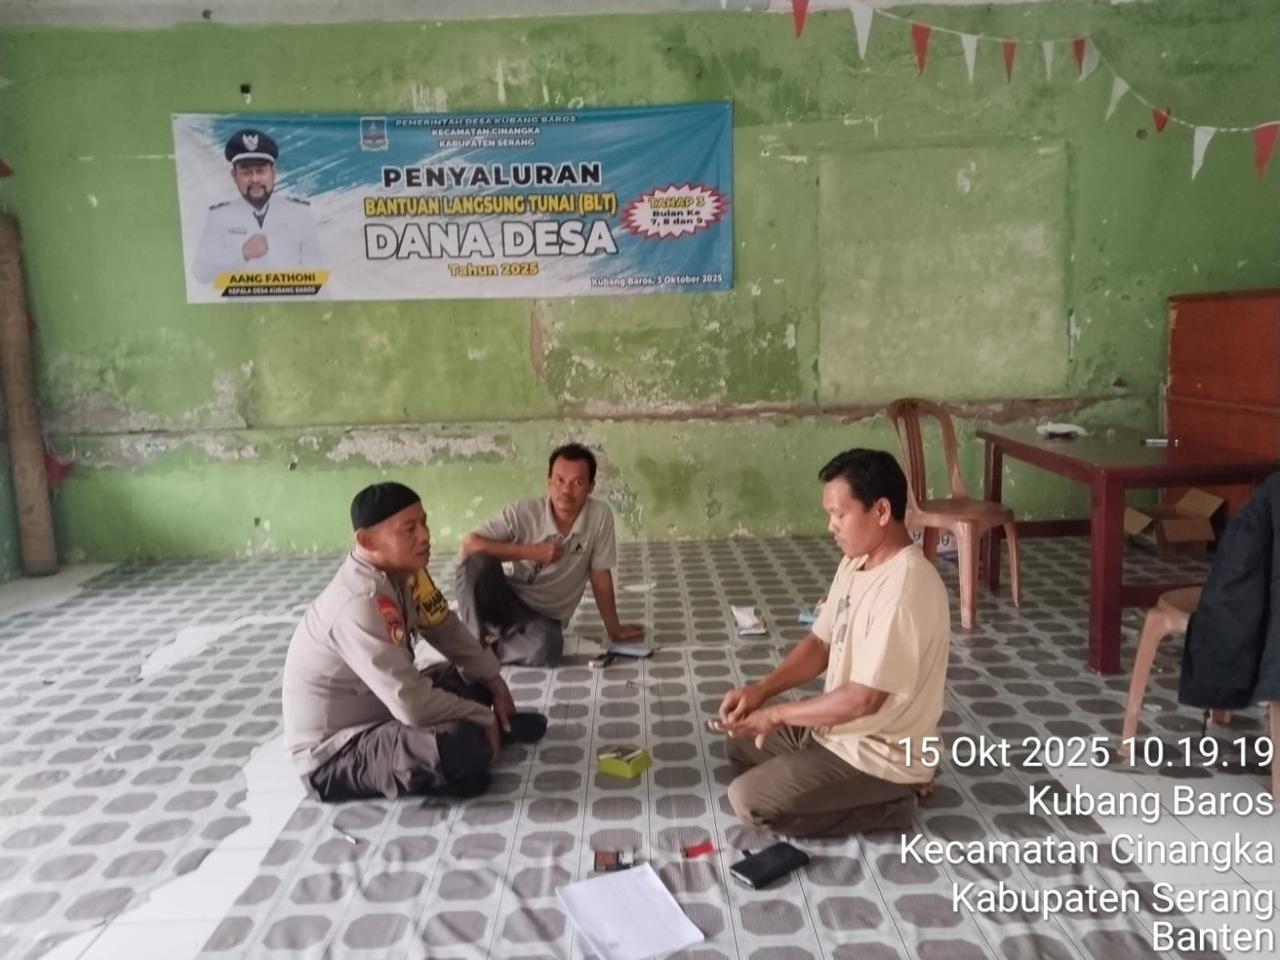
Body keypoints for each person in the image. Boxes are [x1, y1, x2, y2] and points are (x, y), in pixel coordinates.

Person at [717, 448, 951, 837]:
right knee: (740, 743)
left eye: (840, 515)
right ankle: (837, 782)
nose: (831, 526)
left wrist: (778, 714)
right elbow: (820, 644)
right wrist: (761, 692)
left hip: (878, 752)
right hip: (838, 733)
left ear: (881, 511)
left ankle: (892, 801)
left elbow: (863, 700)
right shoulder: (857, 561)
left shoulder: (905, 587)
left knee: (748, 800)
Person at [282, 481, 545, 803]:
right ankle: (472, 746)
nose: (424, 536)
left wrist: (496, 685)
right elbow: (411, 704)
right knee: (459, 746)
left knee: (471, 678)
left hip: (385, 707)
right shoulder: (358, 602)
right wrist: (483, 715)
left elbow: (447, 630)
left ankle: (480, 737)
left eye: (424, 523)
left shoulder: (408, 574)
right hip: (338, 750)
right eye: (409, 529)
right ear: (367, 540)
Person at [456, 443, 643, 667]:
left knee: (547, 647)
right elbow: (468, 546)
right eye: (559, 480)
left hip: (543, 619)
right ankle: (475, 639)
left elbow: (600, 576)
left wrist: (615, 629)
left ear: (591, 487)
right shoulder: (524, 512)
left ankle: (475, 651)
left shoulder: (599, 517)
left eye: (577, 483)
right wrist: (528, 551)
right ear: (548, 482)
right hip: (505, 600)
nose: (566, 491)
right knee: (475, 563)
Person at [191, 128, 323, 284]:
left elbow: (317, 277)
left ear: (273, 173)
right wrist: (241, 253)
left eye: (261, 171)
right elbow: (201, 273)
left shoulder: (299, 213)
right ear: (234, 176)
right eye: (246, 172)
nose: (255, 179)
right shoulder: (220, 216)